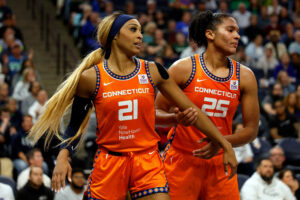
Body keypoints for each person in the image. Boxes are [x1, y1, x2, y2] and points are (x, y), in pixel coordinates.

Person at [28, 12, 237, 200]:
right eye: (133, 29)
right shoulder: (91, 78)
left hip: (147, 160)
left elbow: (193, 110)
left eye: (141, 31)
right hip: (110, 161)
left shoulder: (153, 70)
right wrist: (63, 157)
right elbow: (74, 125)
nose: (140, 35)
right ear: (115, 36)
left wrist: (224, 144)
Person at [155, 10, 259, 200]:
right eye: (230, 30)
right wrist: (174, 119)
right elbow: (154, 114)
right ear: (210, 34)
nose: (237, 35)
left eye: (237, 31)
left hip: (220, 161)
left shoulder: (245, 76)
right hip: (181, 161)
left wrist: (221, 143)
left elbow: (251, 130)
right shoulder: (182, 68)